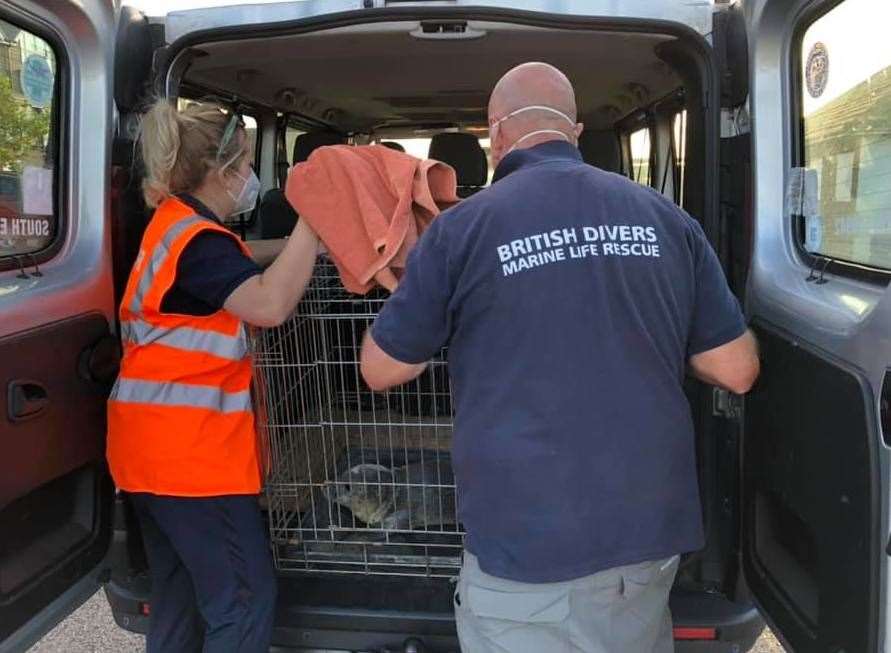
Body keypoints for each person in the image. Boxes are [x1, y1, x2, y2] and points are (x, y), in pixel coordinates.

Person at [360, 62, 759, 652]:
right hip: (644, 543)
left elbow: (382, 369)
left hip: (527, 551)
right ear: (573, 130)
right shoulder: (667, 219)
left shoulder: (459, 231)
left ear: (495, 136)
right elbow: (737, 369)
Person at [106, 99, 319, 653]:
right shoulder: (200, 243)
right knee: (243, 603)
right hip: (193, 466)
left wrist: (304, 246)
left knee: (180, 601)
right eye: (247, 164)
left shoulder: (177, 230)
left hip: (147, 459)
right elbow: (269, 305)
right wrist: (317, 225)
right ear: (221, 171)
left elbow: (239, 258)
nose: (251, 177)